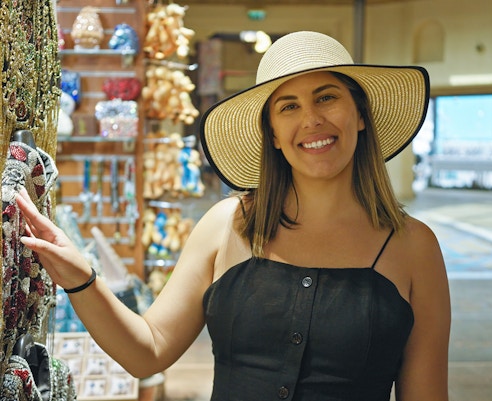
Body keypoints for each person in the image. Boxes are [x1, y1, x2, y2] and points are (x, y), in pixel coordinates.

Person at [16, 31, 450, 401]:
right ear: (274, 135)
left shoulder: (413, 247)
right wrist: (81, 279)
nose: (312, 119)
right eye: (289, 107)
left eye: (327, 97)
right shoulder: (227, 225)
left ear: (359, 116)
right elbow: (148, 350)